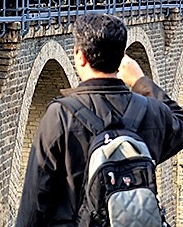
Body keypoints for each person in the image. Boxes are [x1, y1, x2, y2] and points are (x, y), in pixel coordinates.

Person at [16, 13, 183, 227]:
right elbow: (179, 122)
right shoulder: (152, 112)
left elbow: (33, 205)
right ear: (122, 57)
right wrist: (140, 80)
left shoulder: (60, 117)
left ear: (80, 56)